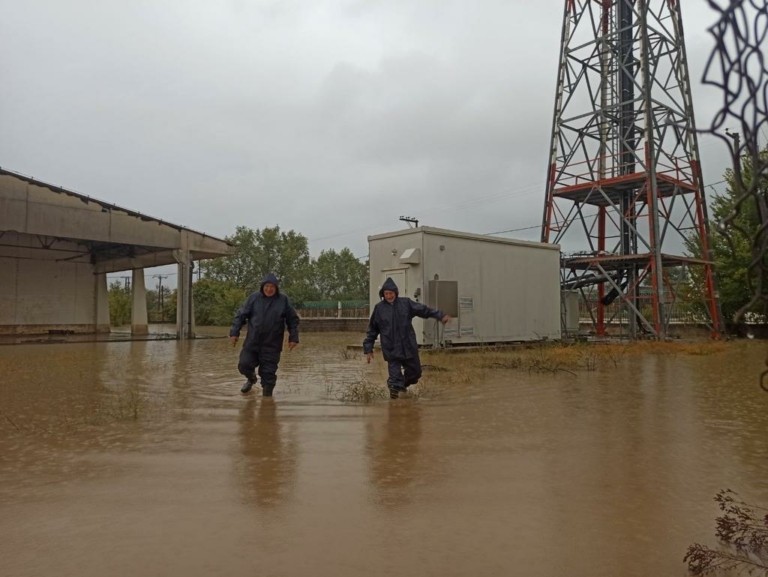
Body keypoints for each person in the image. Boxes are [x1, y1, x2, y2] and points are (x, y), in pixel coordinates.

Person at [363, 277, 451, 399]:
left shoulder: (406, 304)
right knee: (394, 380)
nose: (389, 296)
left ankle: (401, 387)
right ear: (383, 294)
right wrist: (368, 348)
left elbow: (423, 310)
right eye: (386, 293)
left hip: (408, 346)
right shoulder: (379, 309)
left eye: (391, 293)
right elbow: (372, 329)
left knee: (415, 374)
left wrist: (440, 315)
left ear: (396, 293)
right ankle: (394, 406)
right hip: (391, 349)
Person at [230, 273, 299, 397]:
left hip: (272, 345)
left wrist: (293, 337)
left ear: (276, 288)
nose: (269, 289)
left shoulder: (283, 300)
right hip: (252, 342)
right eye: (266, 286)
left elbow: (292, 320)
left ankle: (267, 405)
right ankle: (251, 379)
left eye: (272, 286)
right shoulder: (254, 298)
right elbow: (241, 315)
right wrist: (234, 332)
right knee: (244, 365)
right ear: (262, 287)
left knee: (268, 375)